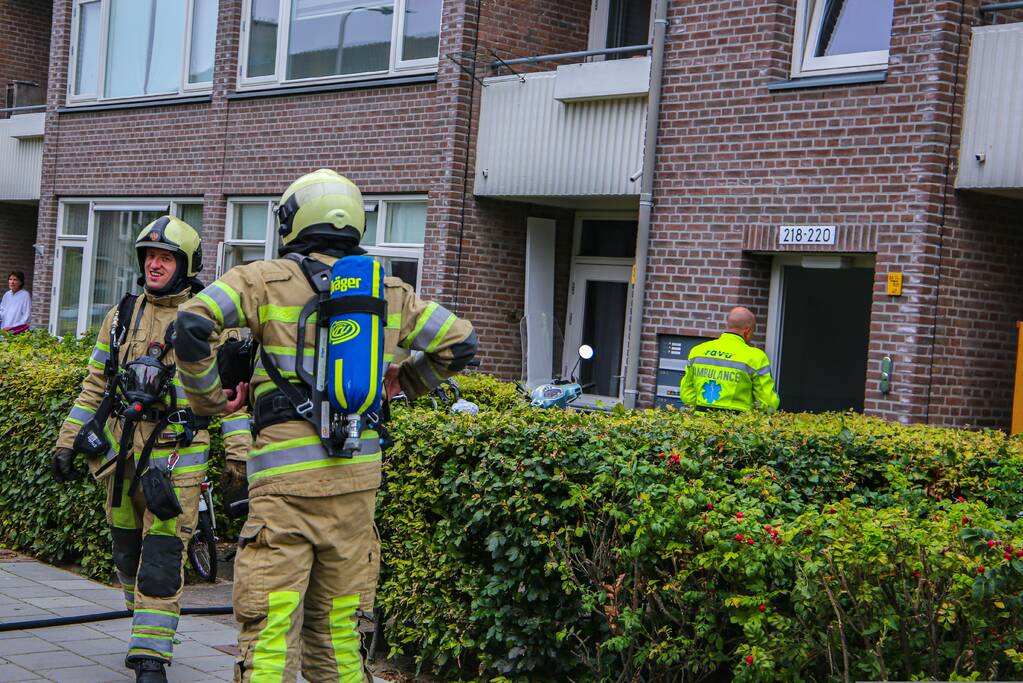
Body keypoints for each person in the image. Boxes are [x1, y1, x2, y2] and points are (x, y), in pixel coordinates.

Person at [174, 169, 478, 682]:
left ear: (294, 221)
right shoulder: (389, 291)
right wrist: (406, 379)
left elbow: (191, 324)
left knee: (272, 632)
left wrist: (207, 401)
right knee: (338, 631)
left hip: (284, 492)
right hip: (357, 486)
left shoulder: (260, 280)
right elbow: (461, 343)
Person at [51, 216, 249, 683]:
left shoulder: (207, 321)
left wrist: (239, 456)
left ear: (186, 264)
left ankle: (151, 659)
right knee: (126, 555)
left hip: (176, 456)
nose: (156, 265)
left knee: (161, 558)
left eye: (166, 258)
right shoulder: (120, 316)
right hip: (119, 459)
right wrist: (67, 442)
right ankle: (145, 625)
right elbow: (94, 385)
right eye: (150, 257)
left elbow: (231, 397)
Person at [680, 306, 780, 413]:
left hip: (700, 424)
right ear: (747, 331)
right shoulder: (756, 357)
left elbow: (687, 394)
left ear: (728, 326)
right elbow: (768, 404)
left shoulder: (697, 351)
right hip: (736, 426)